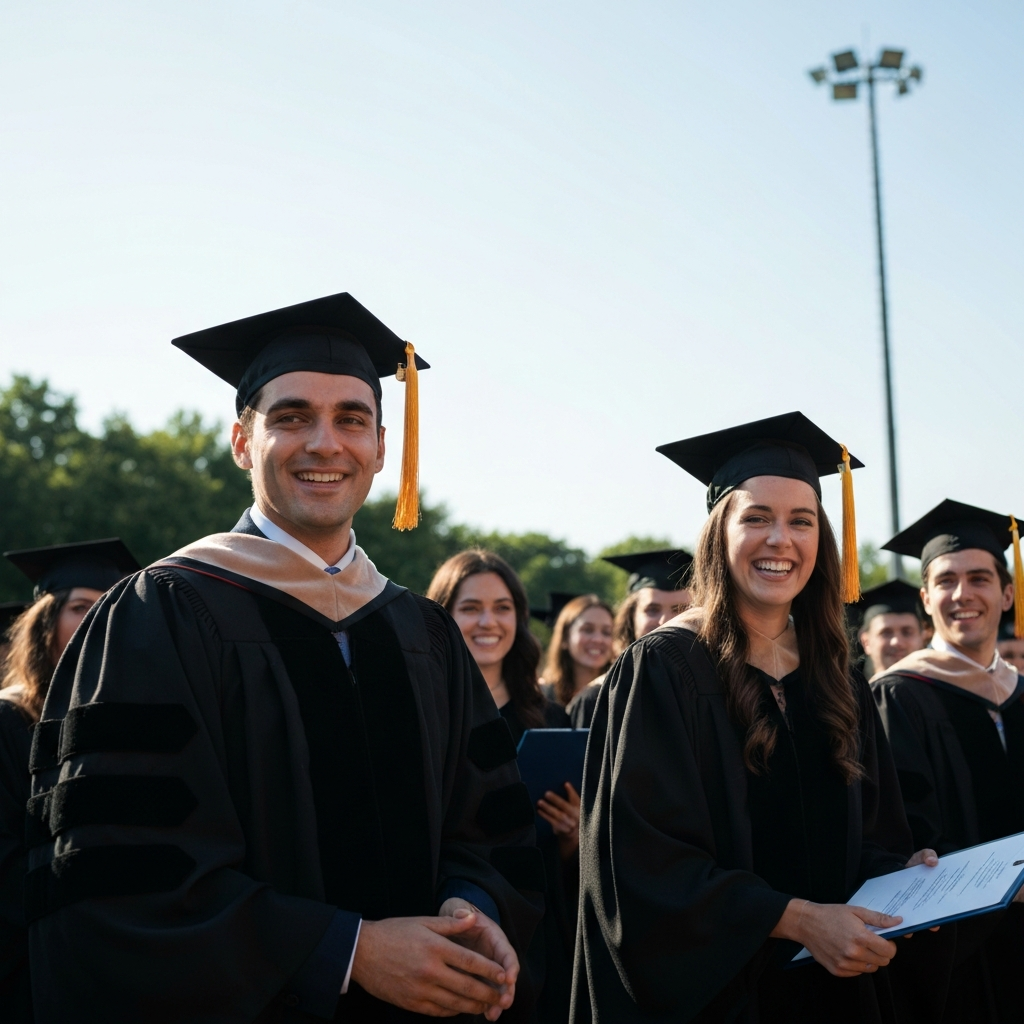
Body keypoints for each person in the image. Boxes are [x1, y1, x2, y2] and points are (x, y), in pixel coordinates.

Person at [27, 293, 542, 1023]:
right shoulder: (160, 614)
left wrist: (476, 904)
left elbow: (490, 826)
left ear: (382, 447)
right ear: (243, 440)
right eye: (292, 417)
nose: (325, 444)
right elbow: (117, 873)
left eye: (351, 419)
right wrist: (346, 951)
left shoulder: (423, 633)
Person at [572, 412, 951, 1024]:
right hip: (723, 1003)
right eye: (756, 518)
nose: (781, 540)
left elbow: (872, 837)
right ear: (718, 533)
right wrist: (797, 919)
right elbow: (643, 866)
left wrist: (902, 879)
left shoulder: (837, 675)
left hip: (836, 992)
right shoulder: (665, 669)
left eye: (802, 521)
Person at [872, 499, 1024, 1023]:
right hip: (955, 955)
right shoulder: (899, 695)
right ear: (925, 598)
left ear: (1007, 592)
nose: (963, 595)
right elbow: (902, 834)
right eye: (946, 581)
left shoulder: (1021, 692)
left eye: (979, 578)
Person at [427, 550, 579, 1024]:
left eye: (503, 607)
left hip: (539, 924)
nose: (488, 621)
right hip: (451, 917)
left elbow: (570, 858)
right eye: (470, 607)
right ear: (444, 616)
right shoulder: (422, 715)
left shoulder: (551, 719)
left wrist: (576, 834)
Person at [0, 539, 140, 1023]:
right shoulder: (8, 720)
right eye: (81, 607)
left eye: (107, 609)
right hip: (30, 960)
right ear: (46, 620)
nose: (95, 622)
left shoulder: (127, 721)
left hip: (123, 956)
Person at [568, 549, 693, 728]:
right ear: (632, 617)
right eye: (652, 609)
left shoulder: (718, 690)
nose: (665, 621)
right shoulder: (598, 699)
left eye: (679, 609)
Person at [541, 595, 613, 708]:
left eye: (606, 632)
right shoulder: (541, 696)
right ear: (565, 637)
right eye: (587, 630)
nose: (598, 639)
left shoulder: (621, 696)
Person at [855, 579, 926, 677]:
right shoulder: (845, 690)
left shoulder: (940, 688)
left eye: (907, 632)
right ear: (866, 641)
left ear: (922, 638)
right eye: (886, 633)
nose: (897, 642)